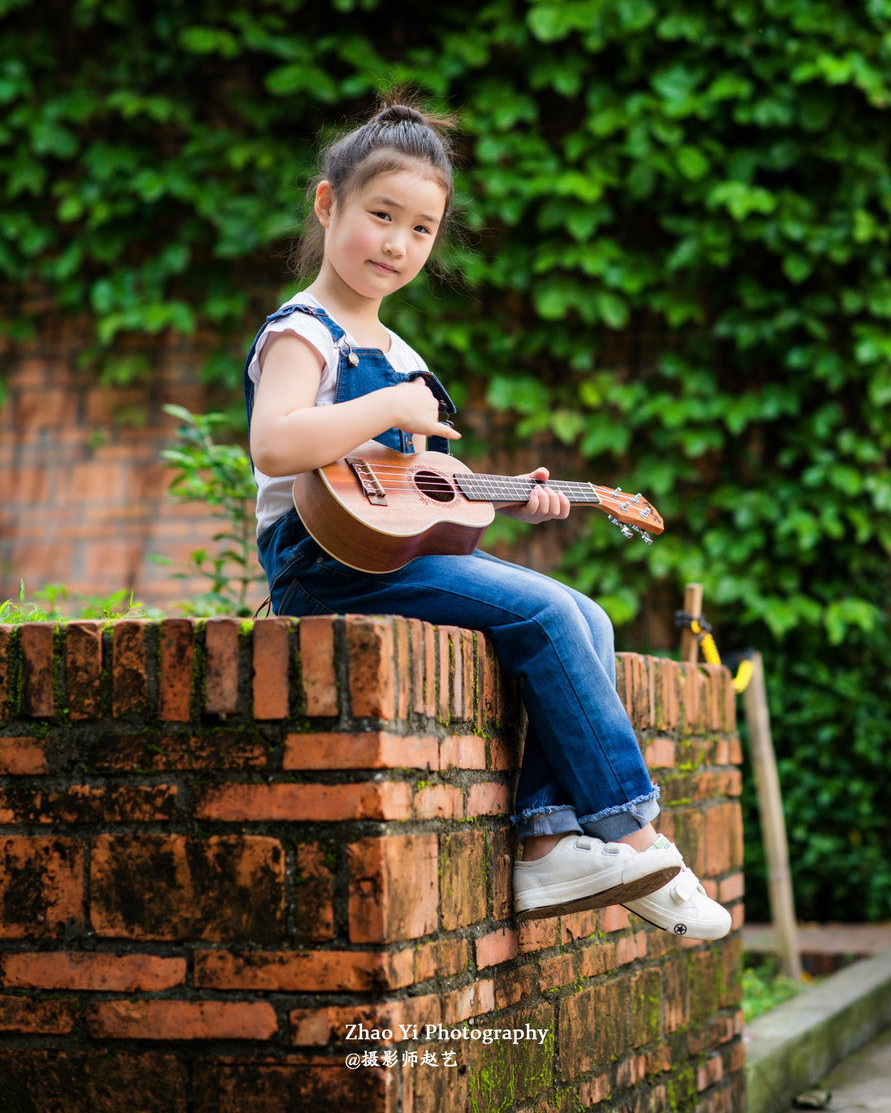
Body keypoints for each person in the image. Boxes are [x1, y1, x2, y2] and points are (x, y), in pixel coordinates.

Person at [243, 97, 731, 941]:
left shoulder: (404, 358)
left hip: (385, 560)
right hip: (320, 566)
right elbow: (278, 444)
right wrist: (390, 404)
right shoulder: (305, 333)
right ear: (329, 206)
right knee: (544, 613)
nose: (398, 244)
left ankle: (544, 845)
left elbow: (404, 492)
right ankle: (636, 835)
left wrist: (501, 494)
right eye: (380, 215)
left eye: (422, 229)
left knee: (586, 614)